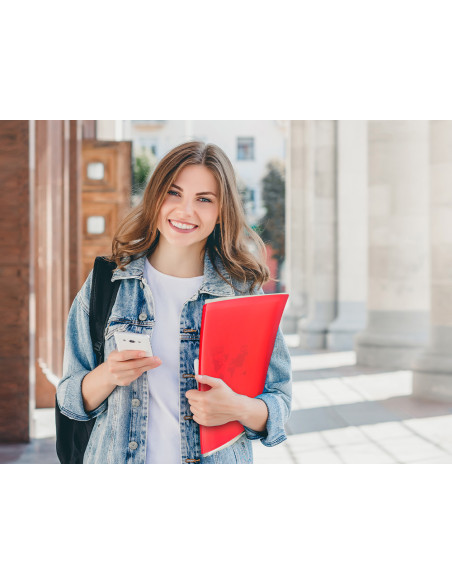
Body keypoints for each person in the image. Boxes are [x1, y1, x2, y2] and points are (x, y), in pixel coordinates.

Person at [56, 141, 292, 464]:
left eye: (204, 199)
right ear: (155, 197)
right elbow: (68, 395)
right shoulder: (108, 282)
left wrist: (237, 408)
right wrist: (108, 374)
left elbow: (279, 400)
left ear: (222, 211)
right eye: (174, 193)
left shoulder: (243, 293)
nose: (185, 211)